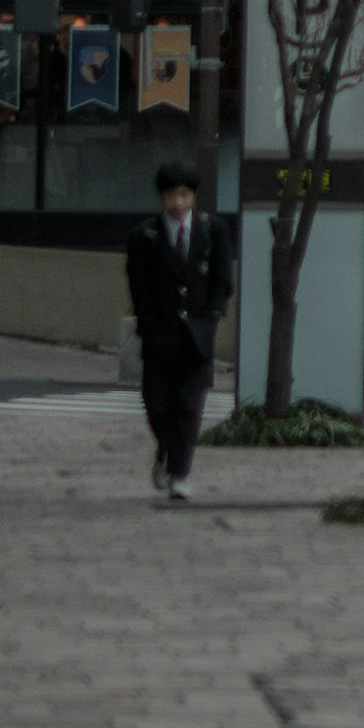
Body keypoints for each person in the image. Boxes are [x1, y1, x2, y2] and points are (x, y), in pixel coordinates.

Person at [124, 160, 236, 504]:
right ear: (162, 198)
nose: (178, 203)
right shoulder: (145, 235)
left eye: (184, 195)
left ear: (194, 196)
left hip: (198, 336)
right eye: (172, 195)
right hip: (160, 334)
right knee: (157, 404)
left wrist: (213, 314)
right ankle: (164, 450)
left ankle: (180, 474)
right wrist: (148, 322)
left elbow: (222, 279)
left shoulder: (211, 229)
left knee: (189, 407)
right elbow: (138, 285)